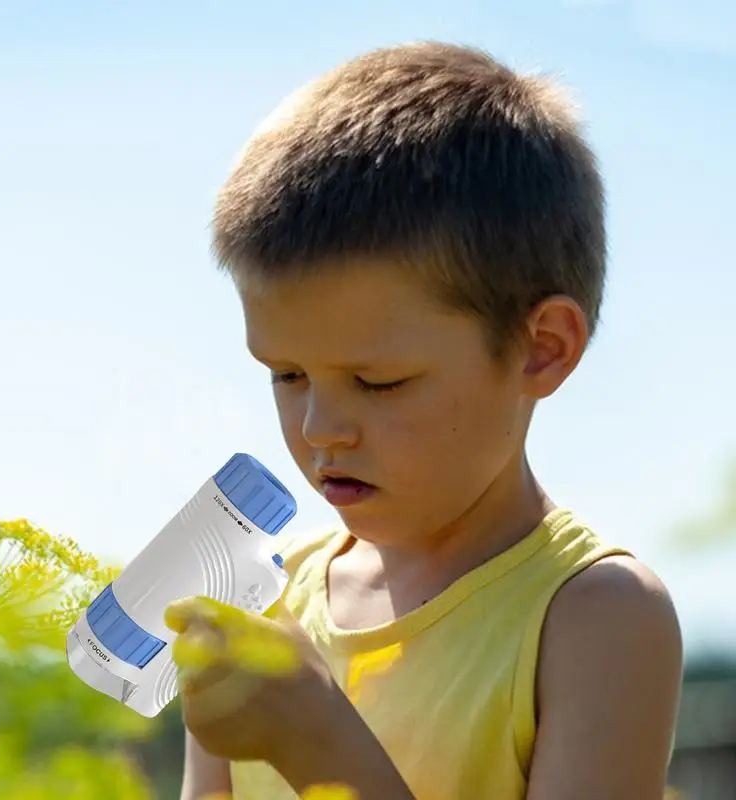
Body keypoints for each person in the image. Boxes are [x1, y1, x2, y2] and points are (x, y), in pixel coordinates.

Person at [168, 42, 683, 800]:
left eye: (378, 382)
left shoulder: (595, 621)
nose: (320, 428)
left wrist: (320, 745)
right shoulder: (267, 607)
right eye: (287, 374)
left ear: (541, 351)